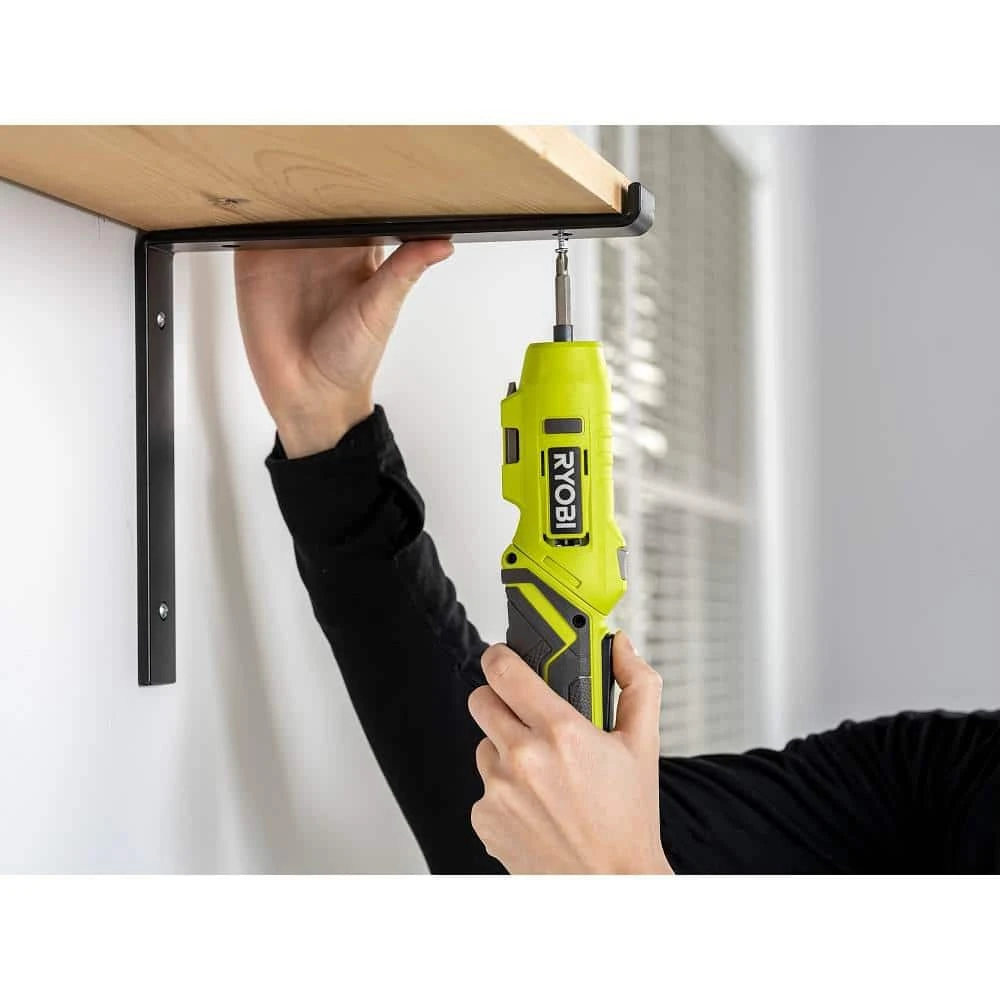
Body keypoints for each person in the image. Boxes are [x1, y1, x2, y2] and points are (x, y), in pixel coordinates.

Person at [234, 241, 1000, 875]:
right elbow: (524, 820)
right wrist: (328, 434)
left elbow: (585, 853)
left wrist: (619, 885)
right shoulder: (947, 775)